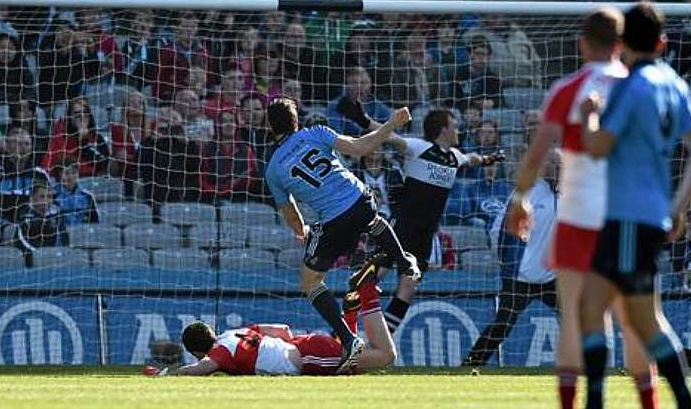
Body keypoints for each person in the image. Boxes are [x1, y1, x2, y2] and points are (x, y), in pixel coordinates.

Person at [506, 7, 657, 409]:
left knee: (573, 314)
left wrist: (520, 198)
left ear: (581, 43)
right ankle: (651, 402)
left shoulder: (567, 89)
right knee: (635, 321)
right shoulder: (640, 87)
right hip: (629, 214)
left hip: (579, 215)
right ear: (621, 44)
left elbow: (538, 153)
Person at [577, 1, 691, 409]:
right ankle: (602, 400)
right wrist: (678, 207)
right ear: (662, 41)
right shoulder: (674, 82)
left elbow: (598, 148)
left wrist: (589, 116)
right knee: (597, 306)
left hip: (627, 218)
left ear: (620, 44)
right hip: (646, 214)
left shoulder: (633, 87)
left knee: (640, 318)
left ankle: (682, 401)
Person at [263, 96, 419, 373]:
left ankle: (349, 340)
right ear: (296, 120)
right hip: (360, 199)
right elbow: (361, 148)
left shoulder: (273, 167)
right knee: (372, 218)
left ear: (270, 127)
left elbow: (289, 212)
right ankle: (404, 262)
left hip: (334, 221)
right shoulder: (316, 132)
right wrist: (392, 123)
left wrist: (303, 231)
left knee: (310, 282)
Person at [358, 108, 502, 335]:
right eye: (454, 126)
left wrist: (488, 159)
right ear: (443, 129)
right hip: (402, 227)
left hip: (426, 235)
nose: (458, 130)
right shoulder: (419, 148)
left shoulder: (455, 156)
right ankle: (345, 328)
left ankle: (380, 340)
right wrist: (365, 119)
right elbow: (390, 136)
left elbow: (472, 159)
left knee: (408, 288)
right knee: (373, 277)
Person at [144, 270, 393, 376]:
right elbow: (283, 330)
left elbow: (202, 368)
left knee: (383, 356)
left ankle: (367, 289)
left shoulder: (219, 352)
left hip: (308, 356)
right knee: (350, 365)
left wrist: (170, 375)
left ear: (197, 351)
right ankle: (350, 315)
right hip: (306, 346)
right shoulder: (236, 333)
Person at [463, 151, 559, 366]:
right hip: (520, 277)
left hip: (551, 278)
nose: (559, 168)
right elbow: (498, 228)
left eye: (561, 164)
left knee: (575, 319)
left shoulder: (569, 196)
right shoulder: (527, 193)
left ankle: (586, 367)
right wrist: (505, 262)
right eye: (553, 163)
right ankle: (470, 363)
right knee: (502, 324)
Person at [16, 180, 69, 254]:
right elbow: (21, 240)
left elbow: (64, 238)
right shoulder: (24, 214)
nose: (46, 200)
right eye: (42, 196)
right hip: (32, 256)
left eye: (49, 197)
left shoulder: (57, 213)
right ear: (32, 198)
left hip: (55, 255)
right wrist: (39, 253)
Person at [53, 158, 99, 227]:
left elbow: (94, 222)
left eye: (74, 173)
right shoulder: (52, 196)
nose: (70, 177)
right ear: (59, 175)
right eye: (66, 173)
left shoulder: (88, 196)